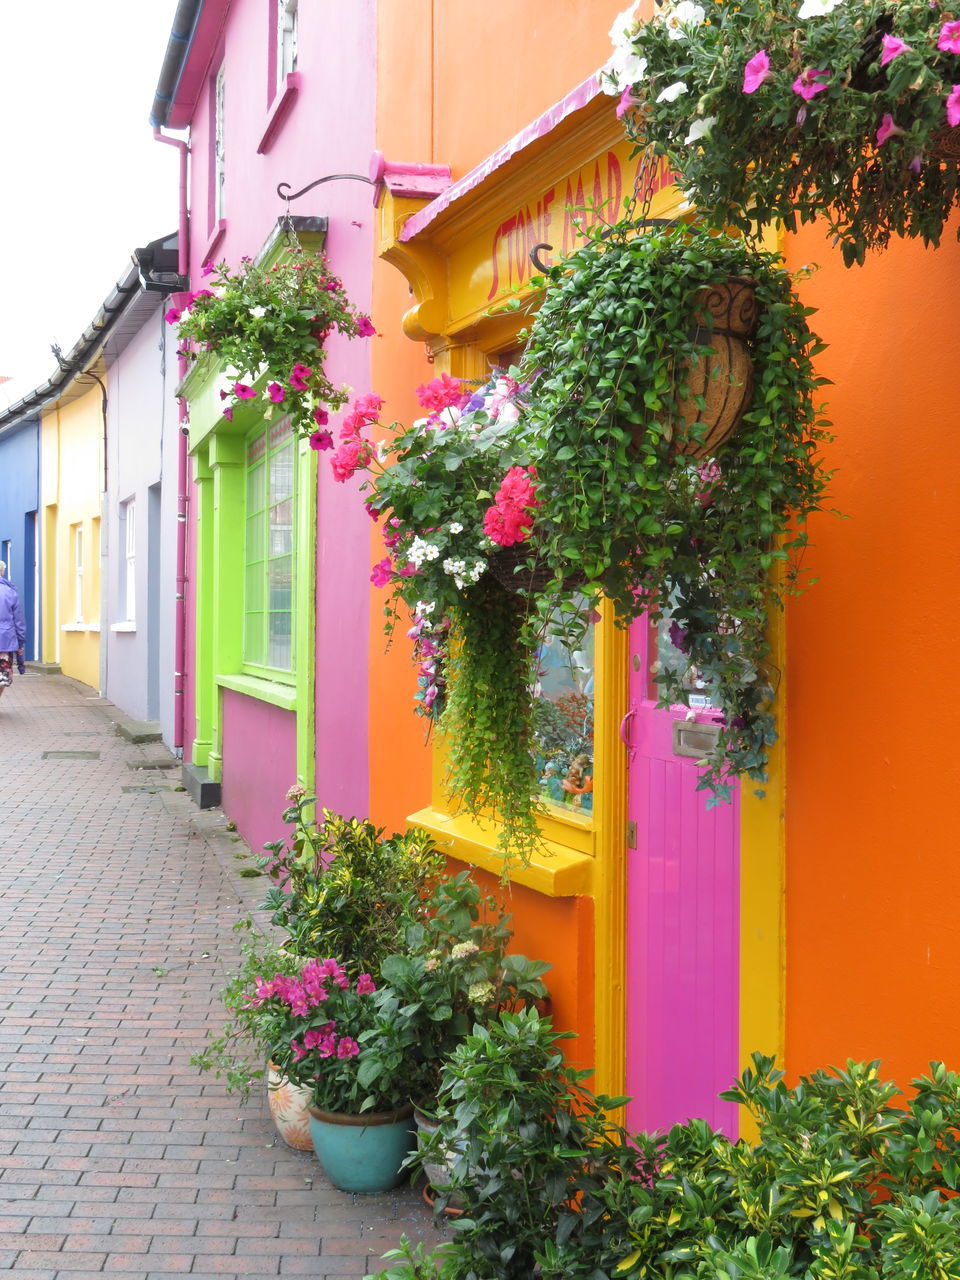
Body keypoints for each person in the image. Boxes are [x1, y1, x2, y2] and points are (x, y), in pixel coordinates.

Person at [0, 562, 26, 700]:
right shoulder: (10, 592)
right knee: (1, 676)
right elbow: (19, 621)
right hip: (4, 642)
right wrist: (20, 642)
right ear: (2, 572)